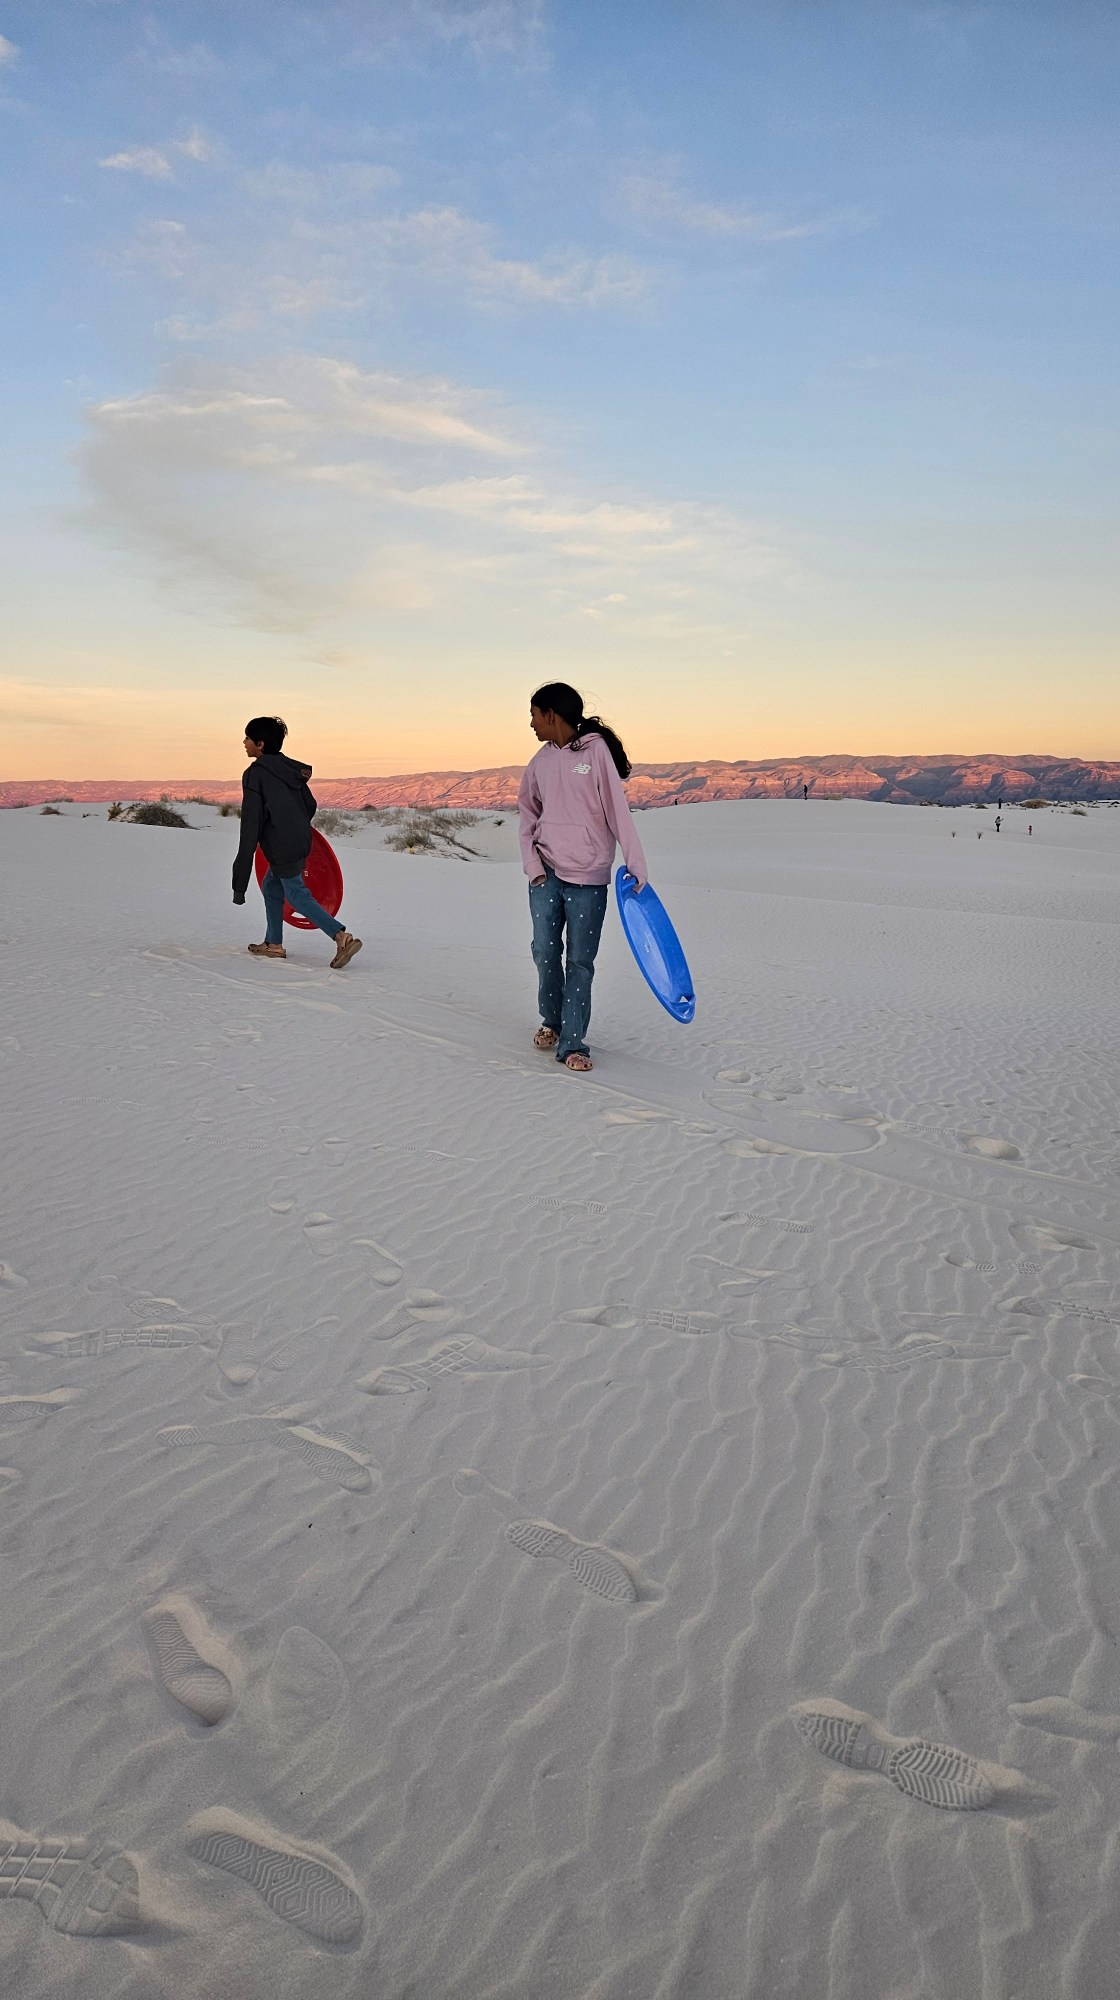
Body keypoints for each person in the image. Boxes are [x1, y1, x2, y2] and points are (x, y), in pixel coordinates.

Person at [518, 682, 646, 1073]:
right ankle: (552, 1021)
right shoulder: (540, 761)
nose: (531, 723)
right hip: (546, 875)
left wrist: (636, 863)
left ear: (551, 714)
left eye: (534, 715)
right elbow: (527, 814)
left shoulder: (595, 752)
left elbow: (617, 811)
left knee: (580, 961)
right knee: (544, 952)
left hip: (588, 878)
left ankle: (573, 1043)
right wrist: (533, 867)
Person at [231, 717, 361, 968]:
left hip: (281, 846)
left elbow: (251, 823)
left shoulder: (256, 774)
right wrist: (294, 827)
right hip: (300, 840)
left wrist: (240, 880)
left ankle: (340, 936)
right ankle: (273, 944)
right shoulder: (290, 770)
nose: (244, 742)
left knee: (297, 894)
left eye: (247, 738)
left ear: (260, 744)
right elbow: (310, 805)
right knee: (272, 886)